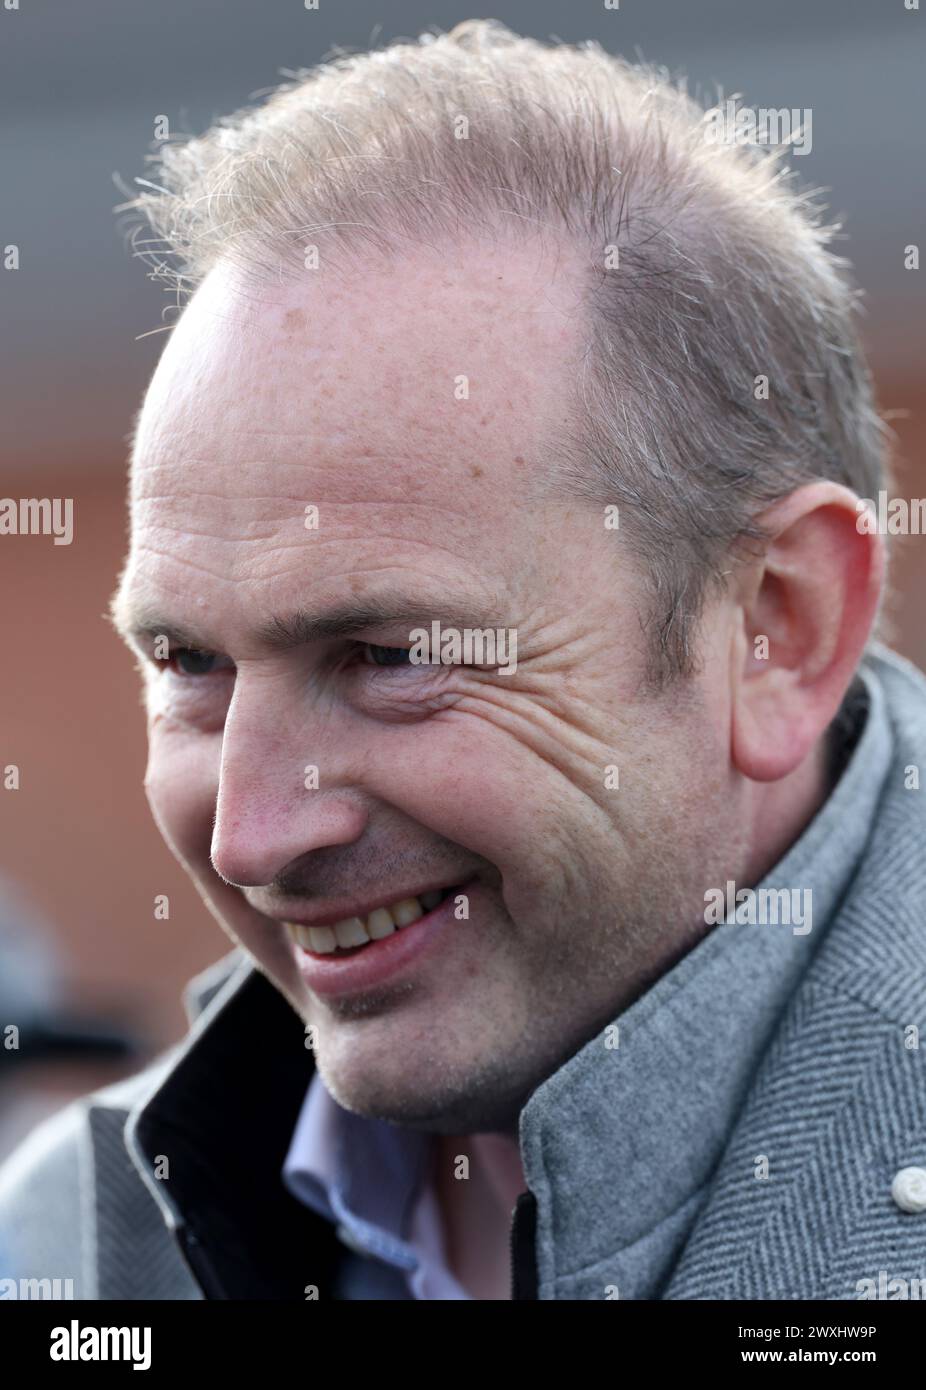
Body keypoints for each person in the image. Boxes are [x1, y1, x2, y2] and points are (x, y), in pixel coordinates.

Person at [2, 19, 925, 1301]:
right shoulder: (62, 1254)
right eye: (190, 662)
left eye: (384, 656)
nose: (252, 841)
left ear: (776, 628)